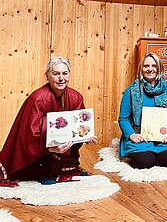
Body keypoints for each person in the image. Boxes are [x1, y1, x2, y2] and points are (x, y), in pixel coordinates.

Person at [0, 57, 97, 187]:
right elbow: (30, 134)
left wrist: (86, 136)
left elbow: (80, 125)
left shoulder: (76, 97)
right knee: (48, 124)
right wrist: (51, 147)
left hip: (66, 144)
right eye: (56, 74)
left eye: (65, 73)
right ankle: (41, 170)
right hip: (41, 148)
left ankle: (67, 168)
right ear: (48, 76)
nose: (61, 78)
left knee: (71, 124)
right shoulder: (37, 98)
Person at [118, 52, 167, 169]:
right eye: (146, 66)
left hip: (164, 138)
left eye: (154, 66)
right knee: (145, 162)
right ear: (141, 69)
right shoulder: (131, 90)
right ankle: (148, 155)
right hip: (140, 138)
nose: (150, 69)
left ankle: (157, 154)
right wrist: (131, 135)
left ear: (159, 68)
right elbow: (123, 119)